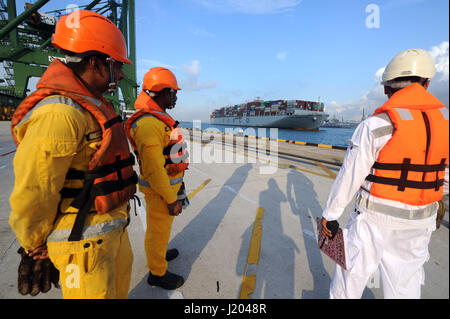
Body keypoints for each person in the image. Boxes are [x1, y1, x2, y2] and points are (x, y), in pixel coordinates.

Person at [9, 10, 137, 299]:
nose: (120, 74)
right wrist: (33, 245)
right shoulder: (60, 113)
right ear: (94, 63)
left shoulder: (91, 105)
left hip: (109, 234)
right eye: (116, 65)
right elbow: (34, 189)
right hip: (83, 244)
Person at [320, 48, 449, 299]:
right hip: (421, 220)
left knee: (349, 280)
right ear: (427, 83)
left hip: (374, 218)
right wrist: (434, 199)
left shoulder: (377, 124)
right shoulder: (445, 123)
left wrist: (330, 215)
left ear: (387, 88)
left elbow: (351, 174)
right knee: (405, 286)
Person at [125, 67, 189, 290]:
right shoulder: (148, 124)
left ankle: (159, 255)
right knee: (157, 231)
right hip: (160, 191)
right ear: (161, 92)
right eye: (173, 92)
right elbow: (154, 169)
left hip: (169, 186)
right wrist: (171, 199)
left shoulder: (157, 118)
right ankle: (157, 273)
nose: (175, 96)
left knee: (162, 230)